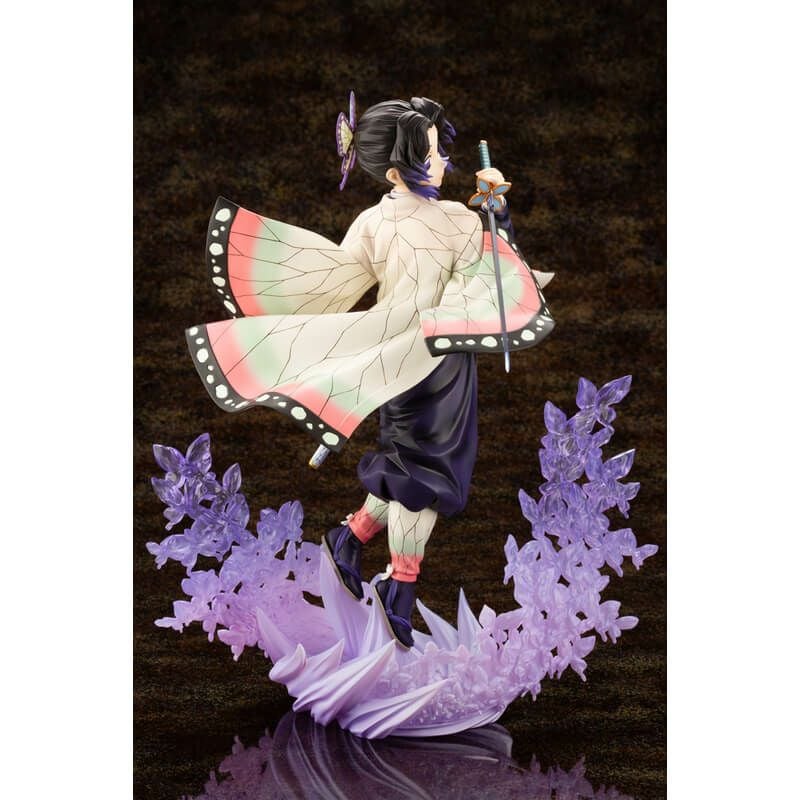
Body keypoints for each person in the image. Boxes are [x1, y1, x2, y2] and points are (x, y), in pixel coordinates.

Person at [185, 94, 554, 647]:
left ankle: (349, 539)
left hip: (437, 360)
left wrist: (495, 214)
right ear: (394, 171)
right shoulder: (427, 221)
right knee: (424, 480)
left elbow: (494, 271)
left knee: (410, 470)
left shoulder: (419, 219)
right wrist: (494, 220)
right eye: (428, 155)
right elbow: (487, 269)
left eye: (440, 152)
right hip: (414, 364)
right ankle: (399, 590)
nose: (441, 163)